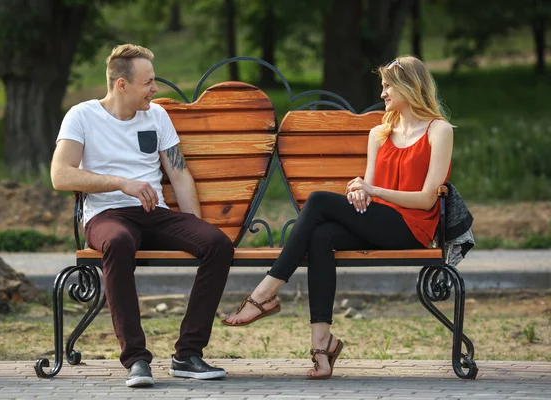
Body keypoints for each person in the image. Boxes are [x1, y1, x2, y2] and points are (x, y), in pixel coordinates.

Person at [223, 55, 454, 379]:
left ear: (409, 87)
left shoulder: (438, 130)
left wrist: (372, 190)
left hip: (410, 227)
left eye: (388, 86)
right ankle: (323, 345)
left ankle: (265, 292)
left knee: (317, 200)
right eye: (383, 86)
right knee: (321, 236)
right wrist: (359, 192)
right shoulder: (379, 133)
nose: (383, 93)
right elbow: (369, 188)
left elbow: (427, 197)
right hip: (378, 221)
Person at [50, 44, 233, 387]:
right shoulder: (82, 116)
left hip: (154, 214)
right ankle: (136, 359)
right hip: (106, 217)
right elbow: (60, 175)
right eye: (148, 82)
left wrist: (194, 225)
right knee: (118, 243)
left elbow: (178, 174)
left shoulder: (157, 116)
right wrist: (121, 183)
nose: (155, 88)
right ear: (122, 85)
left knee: (217, 244)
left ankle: (187, 355)